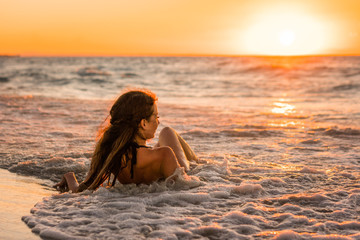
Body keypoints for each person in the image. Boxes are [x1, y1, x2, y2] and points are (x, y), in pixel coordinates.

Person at [54, 89, 198, 193]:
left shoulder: (111, 152)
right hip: (165, 165)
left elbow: (80, 190)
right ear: (143, 123)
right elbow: (184, 187)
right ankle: (200, 162)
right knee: (167, 132)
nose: (158, 122)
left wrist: (70, 177)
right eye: (156, 117)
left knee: (161, 139)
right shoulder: (165, 154)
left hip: (142, 160)